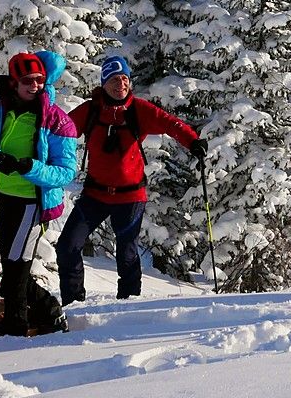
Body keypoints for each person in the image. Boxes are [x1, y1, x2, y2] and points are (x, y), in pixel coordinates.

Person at [55, 55, 206, 304]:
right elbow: (61, 130)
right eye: (114, 79)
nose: (121, 84)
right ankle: (73, 303)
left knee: (126, 254)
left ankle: (127, 305)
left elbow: (171, 124)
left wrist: (193, 142)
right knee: (67, 246)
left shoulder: (139, 110)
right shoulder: (90, 110)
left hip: (130, 197)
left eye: (125, 79)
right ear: (103, 83)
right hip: (95, 195)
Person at [0, 50, 79, 335]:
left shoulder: (57, 120)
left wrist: (32, 168)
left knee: (16, 267)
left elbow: (66, 172)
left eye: (39, 80)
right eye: (27, 80)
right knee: (11, 267)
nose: (34, 85)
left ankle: (16, 328)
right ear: (13, 82)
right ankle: (50, 311)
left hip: (33, 202)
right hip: (5, 197)